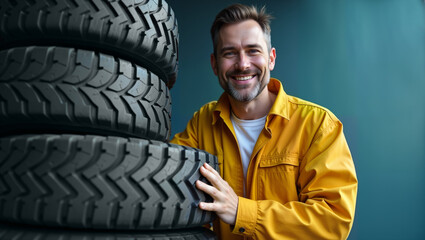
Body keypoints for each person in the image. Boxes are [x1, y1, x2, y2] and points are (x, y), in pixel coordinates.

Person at [170, 3, 357, 240]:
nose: (243, 64)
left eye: (253, 51)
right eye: (229, 53)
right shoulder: (201, 124)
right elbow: (167, 185)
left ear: (271, 58)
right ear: (215, 64)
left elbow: (333, 222)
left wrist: (241, 212)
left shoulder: (318, 125)